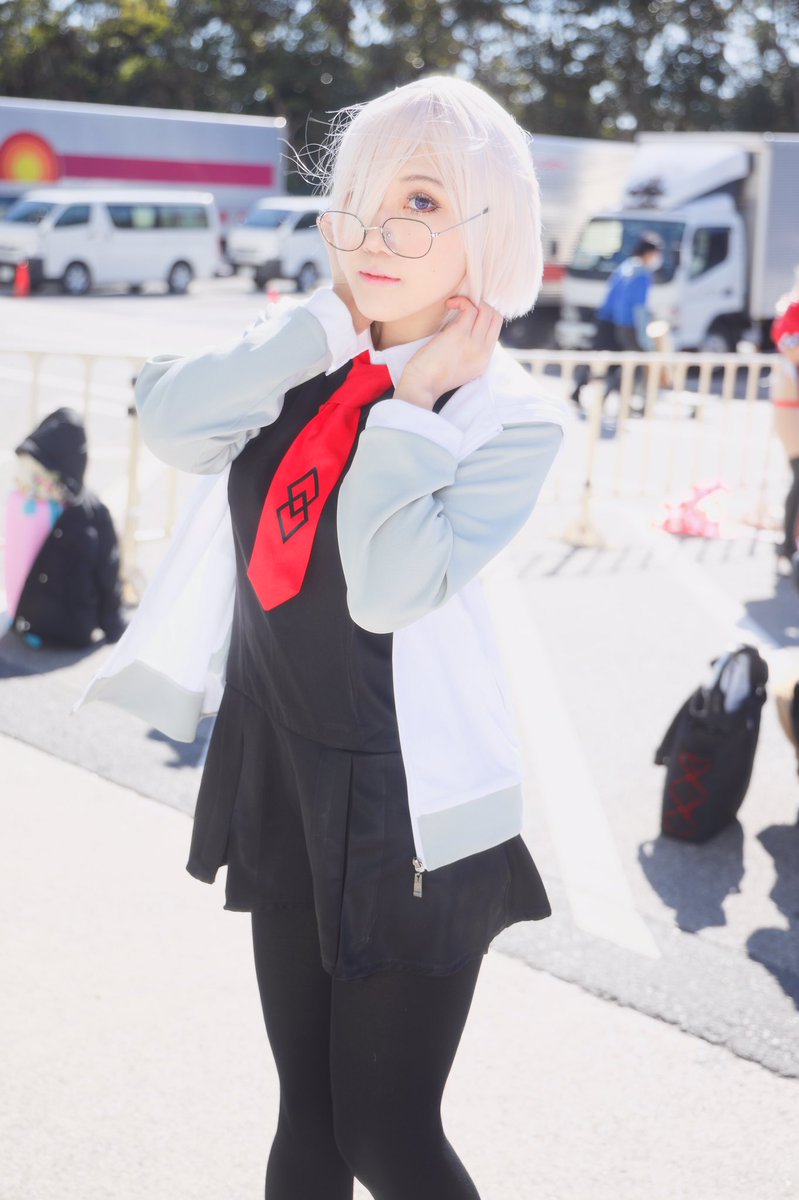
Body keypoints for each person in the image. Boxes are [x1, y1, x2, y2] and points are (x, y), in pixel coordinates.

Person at [87, 76, 566, 1199]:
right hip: (283, 752)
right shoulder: (299, 350)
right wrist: (320, 324)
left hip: (405, 797)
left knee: (386, 1137)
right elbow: (171, 421)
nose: (375, 231)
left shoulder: (508, 415)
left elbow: (389, 589)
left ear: (492, 224)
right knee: (305, 1120)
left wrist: (409, 405)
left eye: (420, 202)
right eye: (356, 198)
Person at [4, 407, 125, 647]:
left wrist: (114, 626)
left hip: (43, 624)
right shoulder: (86, 511)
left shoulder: (30, 505)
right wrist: (114, 627)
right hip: (65, 626)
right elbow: (108, 571)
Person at [571, 231, 664, 416]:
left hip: (608, 319)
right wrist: (641, 332)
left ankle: (598, 397)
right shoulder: (641, 274)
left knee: (610, 363)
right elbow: (638, 307)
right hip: (622, 324)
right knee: (627, 364)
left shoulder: (627, 266)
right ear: (649, 253)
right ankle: (614, 400)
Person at [769, 288, 799, 576]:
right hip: (791, 411)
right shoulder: (793, 310)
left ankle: (789, 542)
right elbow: (790, 346)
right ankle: (787, 544)